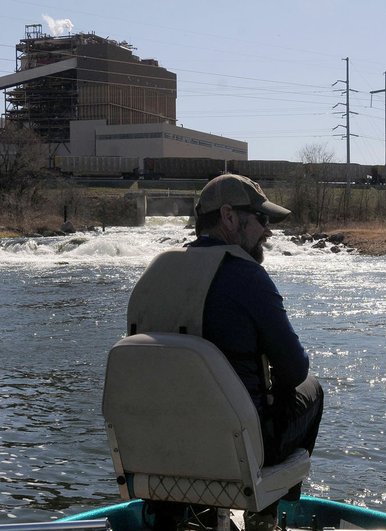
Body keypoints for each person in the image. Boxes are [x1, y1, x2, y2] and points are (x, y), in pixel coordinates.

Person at [127, 173, 323, 530]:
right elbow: (294, 371)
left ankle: (168, 516)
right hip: (233, 453)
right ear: (230, 217)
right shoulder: (249, 278)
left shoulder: (153, 274)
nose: (268, 231)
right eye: (261, 220)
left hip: (157, 451)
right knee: (312, 389)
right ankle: (262, 518)